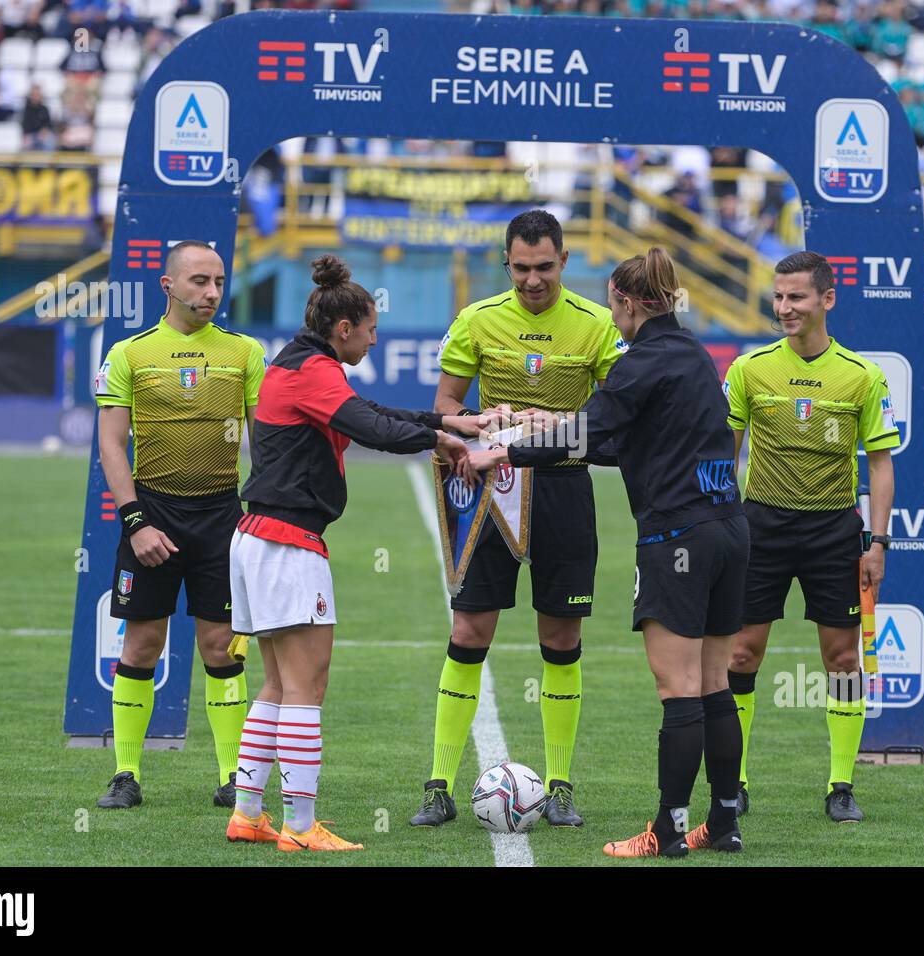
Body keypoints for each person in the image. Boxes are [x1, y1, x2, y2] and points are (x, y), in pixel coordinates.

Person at [471, 247, 748, 858]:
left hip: (678, 538)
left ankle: (667, 831)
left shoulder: (639, 362)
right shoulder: (696, 356)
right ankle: (724, 822)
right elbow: (616, 443)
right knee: (712, 685)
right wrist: (547, 427)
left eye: (613, 305)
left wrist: (505, 452)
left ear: (625, 303)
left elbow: (585, 432)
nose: (611, 316)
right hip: (730, 530)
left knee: (677, 689)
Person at [225, 255, 480, 852]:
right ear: (345, 329)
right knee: (306, 686)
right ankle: (300, 824)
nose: (374, 338)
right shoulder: (314, 372)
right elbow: (375, 430)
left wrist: (448, 424)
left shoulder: (302, 363)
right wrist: (440, 436)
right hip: (287, 543)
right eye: (371, 330)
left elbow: (374, 415)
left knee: (276, 685)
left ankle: (246, 813)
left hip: (258, 536)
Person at [410, 209, 626, 828]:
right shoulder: (477, 319)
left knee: (561, 640)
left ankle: (558, 786)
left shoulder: (598, 326)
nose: (533, 280)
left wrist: (554, 431)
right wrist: (479, 420)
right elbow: (445, 406)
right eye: (522, 268)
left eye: (545, 267)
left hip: (563, 490)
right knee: (469, 631)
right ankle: (438, 785)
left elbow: (614, 423)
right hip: (490, 487)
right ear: (507, 264)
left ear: (564, 261)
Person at [723, 251, 898, 824]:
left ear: (827, 299)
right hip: (761, 526)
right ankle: (734, 782)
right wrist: (719, 524)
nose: (784, 307)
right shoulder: (749, 370)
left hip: (832, 530)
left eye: (796, 297)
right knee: (742, 653)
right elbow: (725, 453)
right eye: (778, 296)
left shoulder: (862, 375)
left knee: (843, 659)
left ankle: (841, 785)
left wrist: (878, 542)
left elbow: (880, 464)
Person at [93, 240, 266, 810]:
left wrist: (265, 514)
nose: (211, 292)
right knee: (143, 644)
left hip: (222, 515)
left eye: (218, 281)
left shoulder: (245, 352)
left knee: (222, 647)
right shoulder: (129, 354)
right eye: (198, 281)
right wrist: (135, 521)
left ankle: (232, 777)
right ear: (167, 285)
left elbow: (264, 443)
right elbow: (112, 445)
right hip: (153, 512)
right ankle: (125, 775)